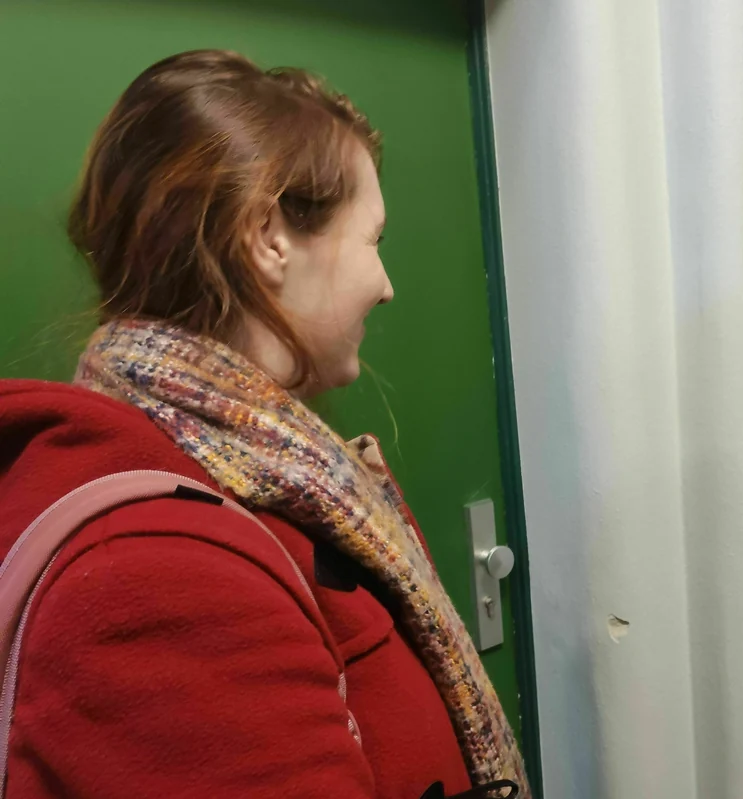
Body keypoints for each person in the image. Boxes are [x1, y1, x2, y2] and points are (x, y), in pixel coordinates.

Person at [0, 50, 527, 798]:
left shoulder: (247, 472)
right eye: (373, 240)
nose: (385, 285)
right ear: (269, 236)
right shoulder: (162, 580)